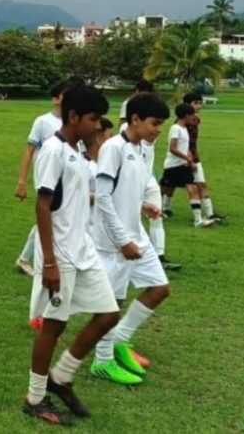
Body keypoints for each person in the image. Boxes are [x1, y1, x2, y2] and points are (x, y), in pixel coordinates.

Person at [21, 85, 116, 425]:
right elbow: (42, 204)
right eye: (92, 119)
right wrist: (47, 261)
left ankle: (61, 376)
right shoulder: (52, 151)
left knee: (108, 315)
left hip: (84, 251)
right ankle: (34, 397)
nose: (97, 126)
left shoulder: (77, 152)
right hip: (61, 254)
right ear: (73, 117)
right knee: (54, 325)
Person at [90, 92, 171, 385]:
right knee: (112, 304)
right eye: (155, 123)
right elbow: (103, 197)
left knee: (159, 289)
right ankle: (102, 362)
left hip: (136, 236)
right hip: (115, 242)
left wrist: (141, 205)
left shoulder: (143, 148)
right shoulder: (114, 148)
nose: (158, 129)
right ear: (135, 119)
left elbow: (125, 191)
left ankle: (120, 341)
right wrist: (122, 240)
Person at [14, 80, 70, 275]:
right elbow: (29, 151)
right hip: (47, 176)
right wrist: (22, 181)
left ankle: (28, 258)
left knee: (55, 216)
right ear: (55, 99)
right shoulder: (43, 121)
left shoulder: (72, 121)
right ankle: (26, 258)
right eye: (65, 96)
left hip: (67, 176)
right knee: (48, 214)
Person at [161, 92, 225, 224]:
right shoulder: (179, 125)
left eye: (200, 103)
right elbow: (175, 145)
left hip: (191, 158)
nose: (199, 106)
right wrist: (188, 159)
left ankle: (209, 214)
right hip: (184, 159)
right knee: (169, 186)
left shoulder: (194, 121)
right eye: (196, 103)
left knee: (199, 184)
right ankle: (163, 208)